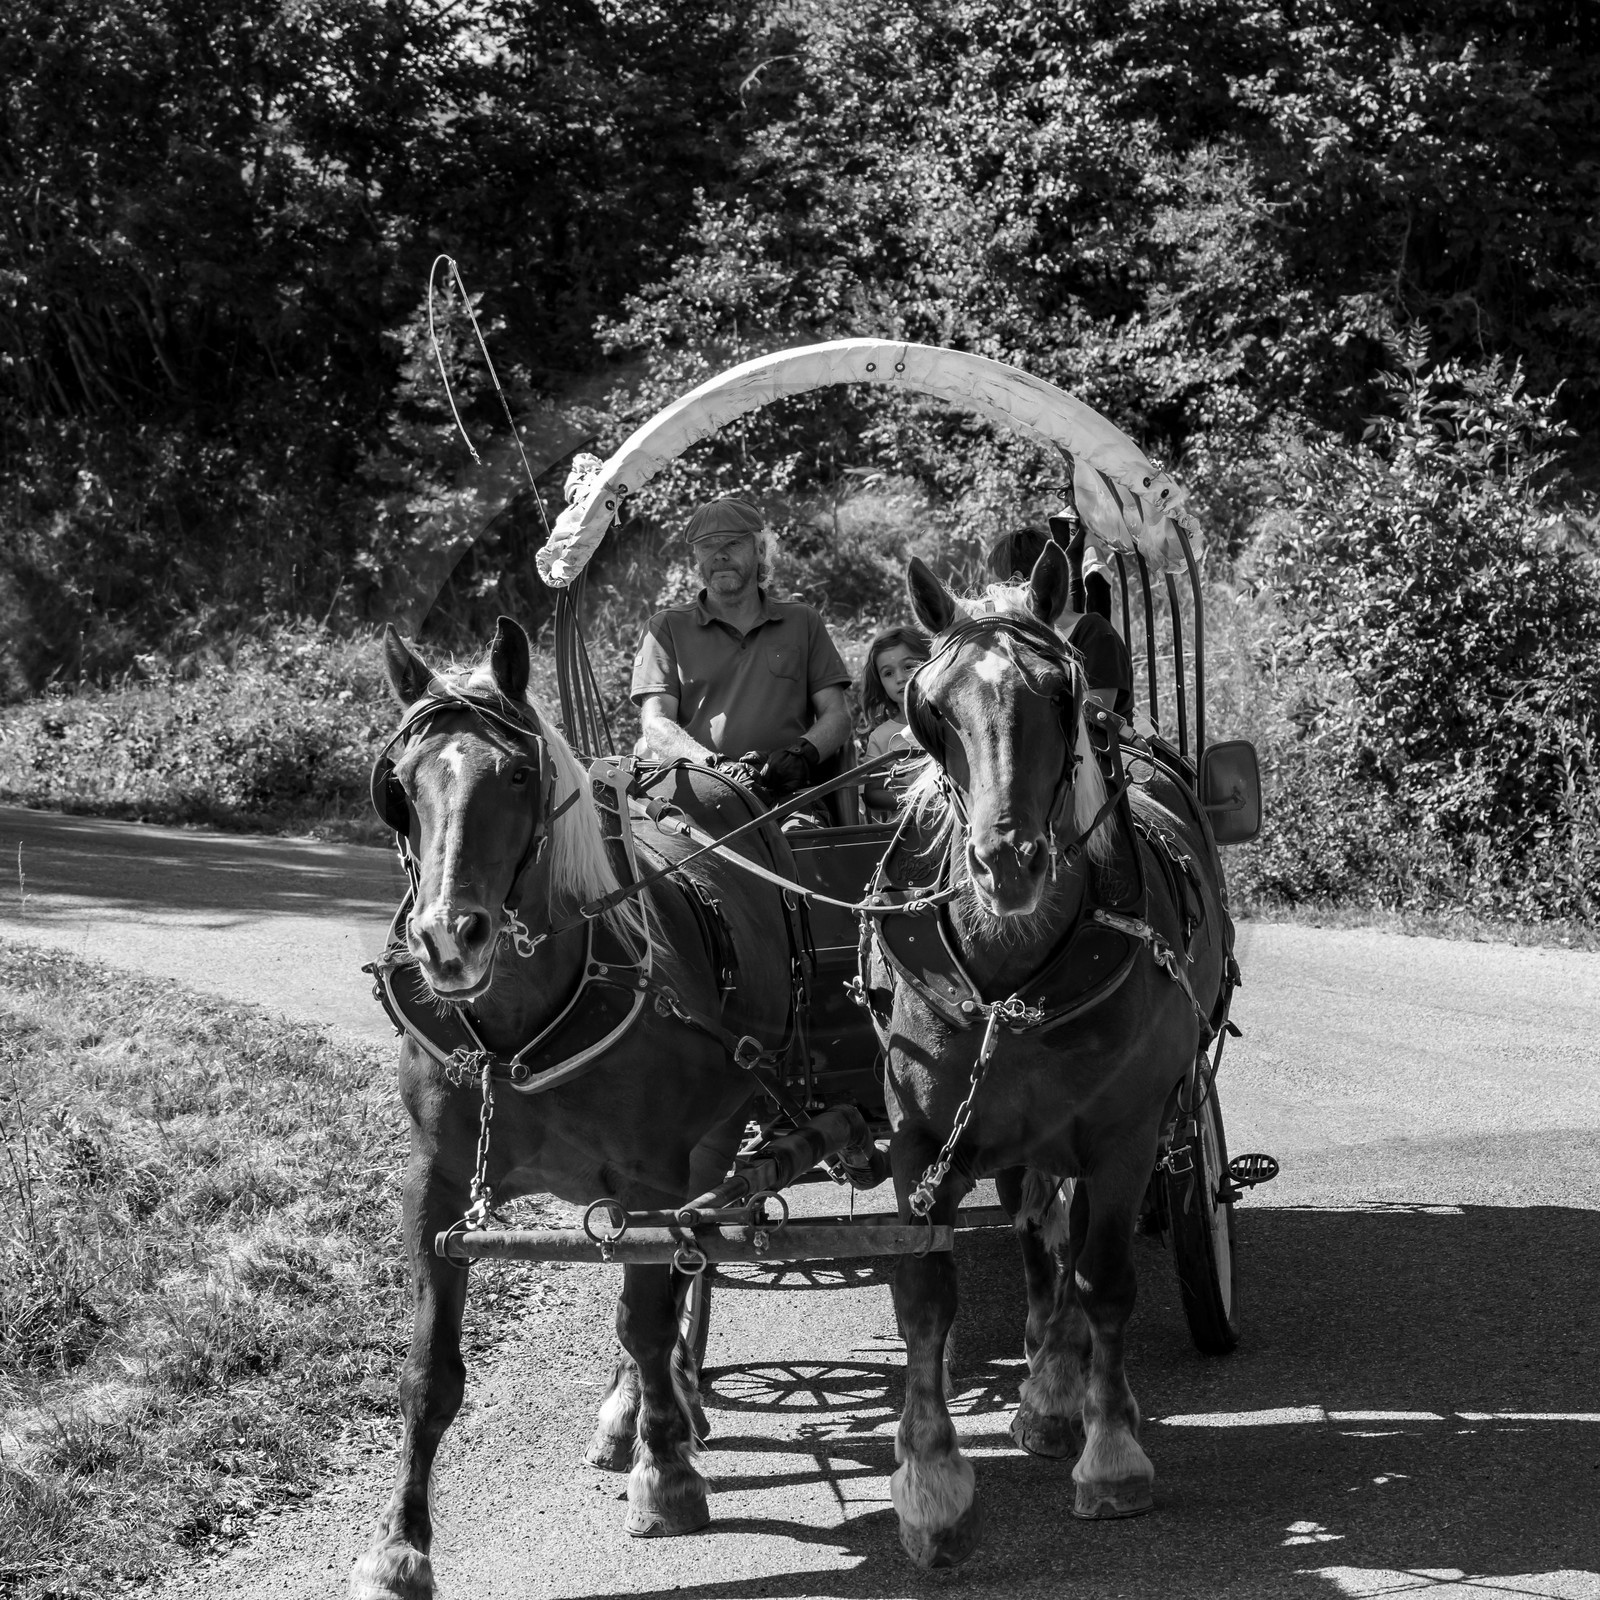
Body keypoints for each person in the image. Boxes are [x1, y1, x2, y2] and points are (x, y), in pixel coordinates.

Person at [632, 496, 854, 809]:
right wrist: (715, 768)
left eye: (733, 543)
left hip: (788, 798)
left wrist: (801, 754)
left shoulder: (802, 621)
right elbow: (656, 723)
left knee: (802, 841)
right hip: (699, 803)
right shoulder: (666, 627)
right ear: (697, 556)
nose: (719, 555)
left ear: (760, 549)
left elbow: (837, 714)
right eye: (707, 546)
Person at [986, 523, 1134, 719]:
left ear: (1015, 581)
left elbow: (1094, 722)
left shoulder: (1093, 633)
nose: (992, 599)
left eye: (995, 588)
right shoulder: (1016, 640)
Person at [858, 625, 929, 815]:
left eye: (909, 667)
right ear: (880, 683)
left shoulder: (953, 723)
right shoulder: (881, 737)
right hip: (907, 826)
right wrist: (916, 800)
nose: (900, 678)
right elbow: (872, 795)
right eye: (888, 673)